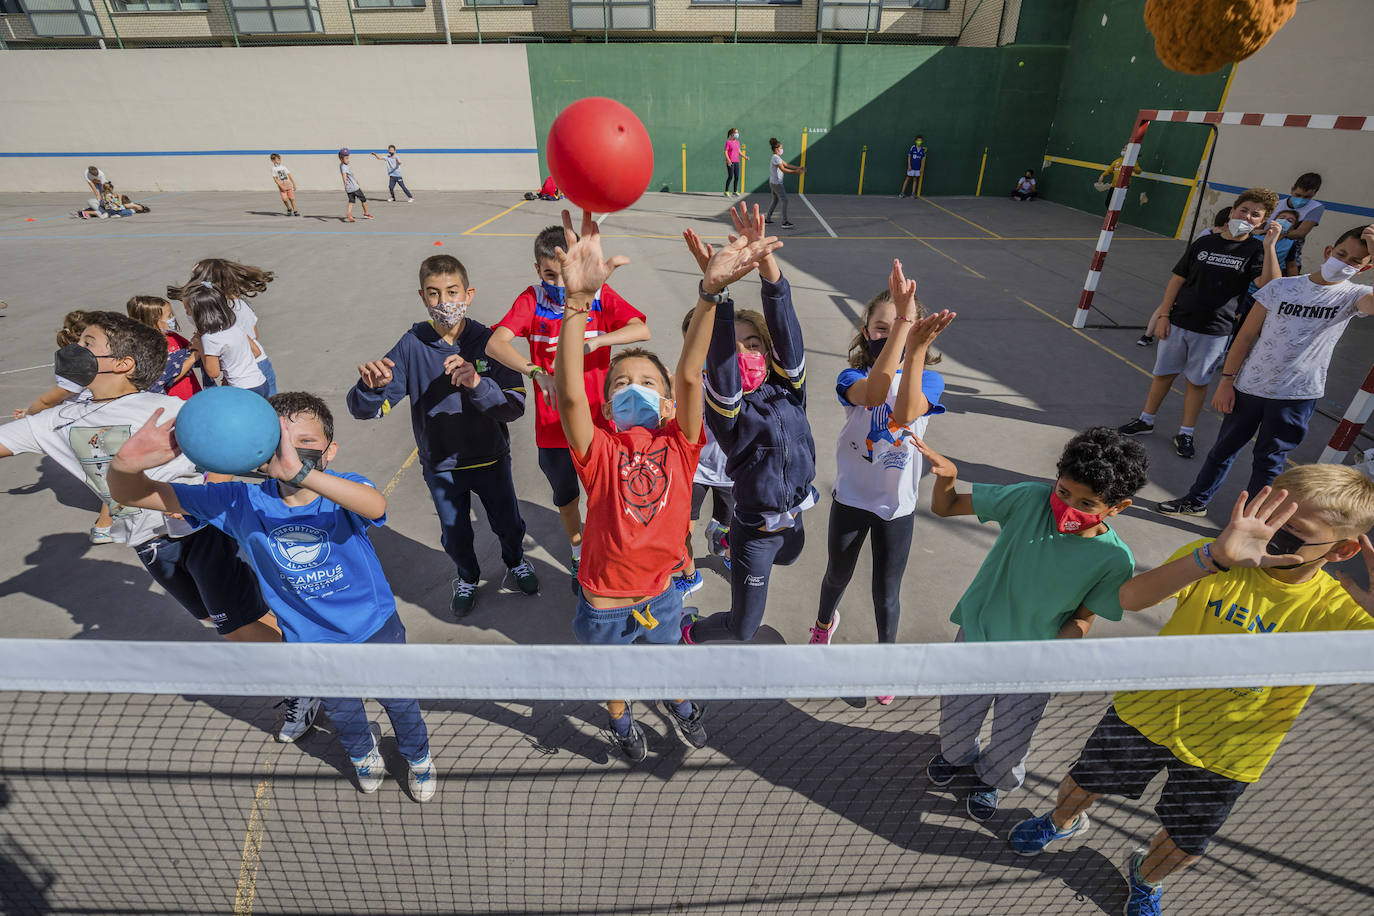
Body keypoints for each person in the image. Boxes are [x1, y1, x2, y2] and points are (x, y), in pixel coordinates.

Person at [1008, 469, 1374, 916]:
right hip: (1146, 713)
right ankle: (1061, 822)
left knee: (1185, 843)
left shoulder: (1341, 611)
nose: (1269, 532)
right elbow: (1131, 599)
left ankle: (1145, 877)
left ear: (1343, 550)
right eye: (1267, 515)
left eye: (1292, 530)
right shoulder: (1219, 562)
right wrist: (1214, 557)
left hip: (1231, 751)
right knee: (1082, 784)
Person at [107, 392, 438, 802]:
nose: (292, 452)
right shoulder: (239, 501)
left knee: (401, 702)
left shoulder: (344, 489)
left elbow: (374, 505)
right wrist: (125, 465)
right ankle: (362, 752)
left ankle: (418, 756)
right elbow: (136, 495)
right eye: (280, 441)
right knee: (343, 710)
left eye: (305, 442)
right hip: (312, 641)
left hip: (374, 626)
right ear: (258, 447)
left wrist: (302, 475)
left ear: (330, 451)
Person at [553, 207, 779, 761]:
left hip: (662, 592)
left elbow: (687, 368)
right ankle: (621, 720)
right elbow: (569, 396)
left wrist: (709, 294)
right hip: (605, 602)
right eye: (623, 383)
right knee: (613, 674)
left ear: (670, 402)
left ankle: (679, 706)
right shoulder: (599, 449)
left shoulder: (682, 442)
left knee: (668, 659)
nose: (635, 388)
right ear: (608, 405)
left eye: (647, 382)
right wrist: (578, 306)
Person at [0, 311, 280, 650]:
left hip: (199, 532)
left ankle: (314, 677)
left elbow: (229, 454)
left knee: (236, 627)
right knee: (217, 615)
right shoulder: (52, 422)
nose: (75, 348)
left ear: (123, 364)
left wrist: (207, 495)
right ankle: (302, 652)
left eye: (87, 343)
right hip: (146, 542)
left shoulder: (167, 409)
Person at [915, 428, 1147, 821]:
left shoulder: (1115, 561)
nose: (1068, 507)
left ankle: (993, 778)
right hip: (979, 635)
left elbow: (1083, 618)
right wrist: (948, 477)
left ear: (1117, 507)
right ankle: (957, 755)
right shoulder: (1028, 499)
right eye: (1063, 492)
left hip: (1035, 664)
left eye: (1087, 503)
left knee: (1011, 738)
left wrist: (1049, 651)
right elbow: (947, 506)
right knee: (956, 716)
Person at [348, 254, 536, 617]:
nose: (444, 302)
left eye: (452, 292)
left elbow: (514, 407)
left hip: (491, 458)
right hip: (441, 466)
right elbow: (366, 409)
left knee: (508, 523)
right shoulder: (411, 344)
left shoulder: (490, 342)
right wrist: (371, 389)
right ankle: (467, 575)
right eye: (434, 294)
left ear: (469, 294)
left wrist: (478, 384)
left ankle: (515, 561)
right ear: (422, 297)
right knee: (456, 534)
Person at [809, 262, 954, 706]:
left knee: (885, 591)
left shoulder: (929, 377)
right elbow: (875, 395)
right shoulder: (851, 376)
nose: (888, 333)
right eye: (880, 327)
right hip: (852, 497)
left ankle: (885, 660)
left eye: (899, 326)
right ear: (866, 331)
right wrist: (904, 329)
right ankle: (822, 626)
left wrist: (913, 350)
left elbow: (907, 412)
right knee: (837, 572)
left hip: (896, 506)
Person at [1157, 226, 1374, 516]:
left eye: (1354, 261)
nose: (1344, 263)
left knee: (1269, 461)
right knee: (1222, 450)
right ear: (1327, 252)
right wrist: (1226, 381)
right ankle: (1197, 500)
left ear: (1365, 268)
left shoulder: (1354, 295)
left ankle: (1251, 520)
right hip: (1249, 388)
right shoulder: (1281, 287)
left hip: (1295, 396)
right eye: (1341, 254)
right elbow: (1245, 337)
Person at [485, 225, 650, 592]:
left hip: (601, 425)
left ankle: (605, 550)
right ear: (538, 270)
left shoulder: (599, 294)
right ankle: (578, 553)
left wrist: (597, 342)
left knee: (604, 496)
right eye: (548, 273)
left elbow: (641, 330)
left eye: (562, 273)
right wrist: (536, 372)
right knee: (567, 499)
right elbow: (496, 345)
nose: (557, 280)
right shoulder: (532, 300)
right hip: (554, 429)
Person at [682, 203, 817, 645]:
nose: (746, 353)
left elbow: (788, 334)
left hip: (794, 520)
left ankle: (733, 538)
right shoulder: (728, 414)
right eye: (736, 347)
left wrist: (766, 261)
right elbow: (721, 366)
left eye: (754, 343)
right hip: (756, 533)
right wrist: (718, 293)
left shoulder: (789, 390)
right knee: (744, 628)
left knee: (792, 556)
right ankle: (691, 630)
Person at [1117, 189, 1282, 460]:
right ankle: (1146, 420)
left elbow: (1271, 285)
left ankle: (1186, 432)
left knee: (1197, 382)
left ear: (1262, 223)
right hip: (1178, 322)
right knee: (1164, 375)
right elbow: (1177, 280)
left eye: (1256, 215)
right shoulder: (1204, 243)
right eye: (1244, 210)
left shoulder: (1255, 250)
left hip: (1215, 330)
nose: (1247, 217)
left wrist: (1270, 246)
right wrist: (1163, 316)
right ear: (1232, 212)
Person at [11, 309, 116, 544]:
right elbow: (51, 399)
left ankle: (112, 517)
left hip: (94, 422)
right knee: (110, 474)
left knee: (108, 472)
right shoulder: (79, 364)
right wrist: (33, 414)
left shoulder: (85, 358)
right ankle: (106, 523)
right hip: (88, 425)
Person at [675, 306, 733, 596]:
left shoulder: (740, 376)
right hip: (694, 468)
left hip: (733, 471)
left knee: (732, 526)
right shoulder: (685, 378)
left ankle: (723, 538)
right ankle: (689, 575)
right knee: (679, 529)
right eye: (690, 344)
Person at [174, 259, 280, 396]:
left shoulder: (214, 329)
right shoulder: (231, 314)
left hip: (243, 380)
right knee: (273, 409)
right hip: (258, 371)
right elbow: (254, 338)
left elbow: (213, 372)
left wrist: (201, 347)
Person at [1137, 207, 1235, 347]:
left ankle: (1147, 336)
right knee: (1169, 305)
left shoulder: (1206, 232)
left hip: (1191, 277)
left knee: (1167, 305)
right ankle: (1151, 334)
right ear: (1227, 222)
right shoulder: (1213, 238)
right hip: (1193, 279)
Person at [125, 295, 200, 401]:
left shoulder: (173, 336)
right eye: (169, 316)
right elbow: (166, 378)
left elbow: (190, 350)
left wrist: (197, 342)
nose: (173, 318)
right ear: (152, 321)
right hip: (174, 402)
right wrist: (193, 357)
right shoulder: (148, 350)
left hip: (193, 393)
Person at [1278, 172, 1323, 276]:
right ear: (1292, 189)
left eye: (1307, 197)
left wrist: (1272, 233)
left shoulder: (1315, 208)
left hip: (1288, 263)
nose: (1301, 199)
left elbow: (1300, 233)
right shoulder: (1277, 204)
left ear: (1314, 194)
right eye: (1298, 195)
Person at [765, 138, 804, 230]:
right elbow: (783, 169)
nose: (782, 149)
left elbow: (786, 164)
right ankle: (784, 222)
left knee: (775, 200)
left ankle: (767, 219)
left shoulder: (777, 157)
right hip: (777, 183)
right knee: (785, 200)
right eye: (781, 148)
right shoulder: (775, 158)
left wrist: (798, 167)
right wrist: (796, 172)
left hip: (773, 182)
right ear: (776, 149)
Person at [338, 148, 372, 222]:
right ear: (341, 159)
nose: (348, 160)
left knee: (351, 201)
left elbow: (350, 175)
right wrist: (345, 182)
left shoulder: (341, 165)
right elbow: (344, 175)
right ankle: (366, 213)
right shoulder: (344, 167)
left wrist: (355, 181)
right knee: (364, 200)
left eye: (348, 158)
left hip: (349, 189)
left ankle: (349, 213)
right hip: (354, 188)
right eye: (346, 158)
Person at [723, 127, 747, 198]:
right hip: (730, 162)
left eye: (737, 132)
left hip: (736, 161)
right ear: (732, 134)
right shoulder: (728, 142)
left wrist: (745, 157)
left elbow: (739, 151)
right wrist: (728, 160)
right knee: (730, 176)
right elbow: (725, 152)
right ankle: (726, 191)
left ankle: (735, 191)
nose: (737, 134)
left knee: (737, 177)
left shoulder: (737, 142)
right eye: (736, 132)